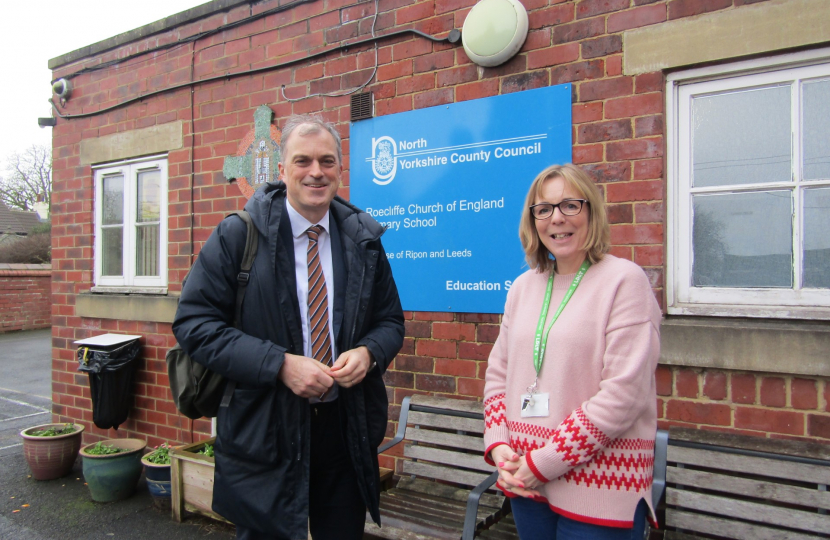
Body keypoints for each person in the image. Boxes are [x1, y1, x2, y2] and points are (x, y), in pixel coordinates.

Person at [172, 114, 405, 540]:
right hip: (266, 434)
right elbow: (194, 324)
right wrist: (278, 364)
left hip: (344, 430)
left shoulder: (363, 241)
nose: (316, 172)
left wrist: (370, 352)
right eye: (303, 161)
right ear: (282, 171)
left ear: (339, 170)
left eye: (327, 161)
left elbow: (390, 321)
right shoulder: (237, 236)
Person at [483, 163, 661, 539]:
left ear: (591, 211)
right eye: (544, 209)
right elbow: (499, 375)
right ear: (533, 221)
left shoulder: (624, 281)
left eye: (569, 205)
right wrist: (499, 446)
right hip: (526, 481)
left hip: (598, 487)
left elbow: (622, 395)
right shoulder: (522, 287)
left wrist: (543, 463)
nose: (556, 219)